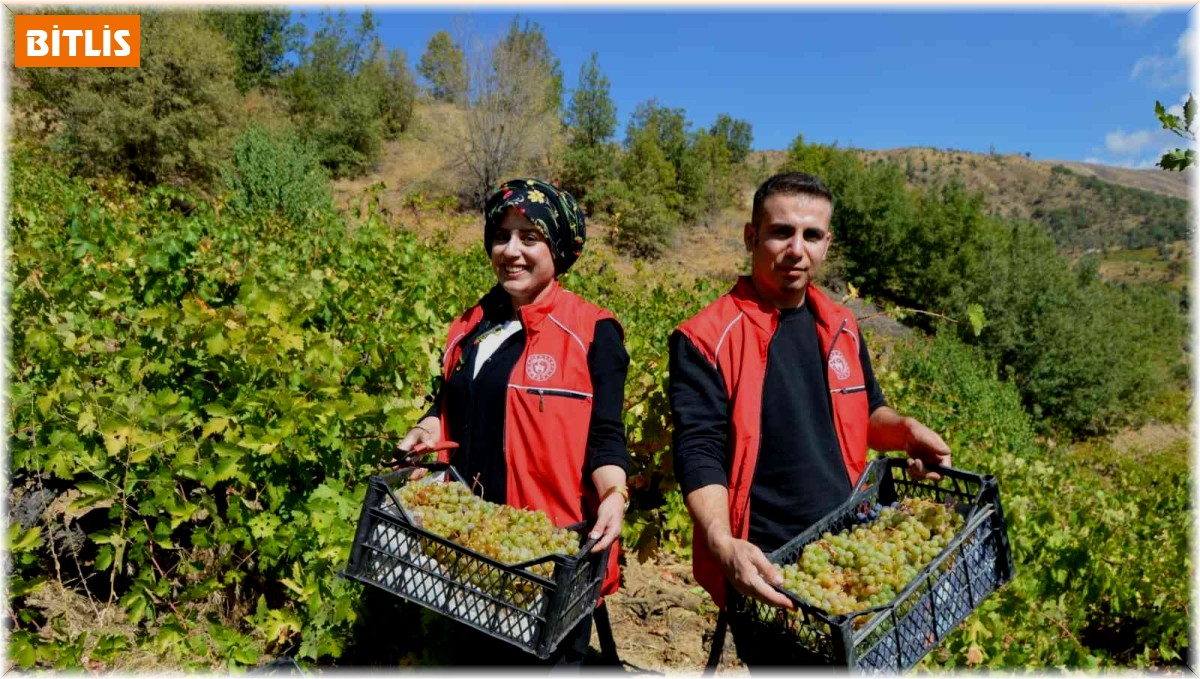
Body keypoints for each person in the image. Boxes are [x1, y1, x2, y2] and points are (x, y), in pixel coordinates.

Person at [668, 171, 952, 666]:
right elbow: (700, 452)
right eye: (782, 232)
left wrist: (904, 431)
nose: (796, 249)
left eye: (811, 235)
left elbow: (866, 412)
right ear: (752, 236)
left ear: (826, 244)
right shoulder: (705, 337)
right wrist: (721, 541)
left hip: (850, 546)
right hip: (772, 567)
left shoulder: (839, 324)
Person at [397, 178, 630, 666]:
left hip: (547, 556)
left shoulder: (592, 331)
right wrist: (428, 428)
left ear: (559, 247)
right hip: (468, 546)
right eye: (502, 236)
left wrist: (614, 496)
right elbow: (449, 406)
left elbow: (606, 436)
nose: (512, 251)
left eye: (530, 237)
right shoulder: (471, 325)